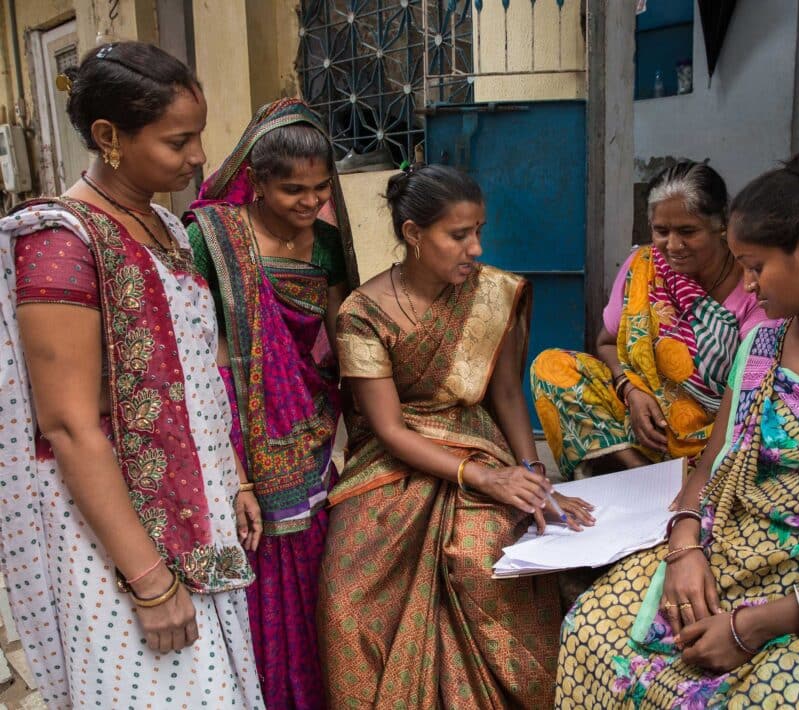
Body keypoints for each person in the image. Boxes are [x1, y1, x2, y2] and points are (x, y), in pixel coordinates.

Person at [555, 149, 799, 708]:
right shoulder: (763, 344)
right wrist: (685, 546)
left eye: (756, 266)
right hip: (734, 550)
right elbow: (714, 462)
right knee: (590, 631)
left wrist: (757, 625)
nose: (746, 283)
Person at [0, 42, 263, 707]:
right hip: (119, 541)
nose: (199, 156)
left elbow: (196, 374)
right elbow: (66, 424)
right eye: (179, 141)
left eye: (198, 135)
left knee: (219, 687)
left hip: (198, 517)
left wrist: (234, 478)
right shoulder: (61, 239)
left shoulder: (166, 227)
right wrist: (150, 582)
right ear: (108, 136)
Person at [318, 164, 595, 708]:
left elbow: (508, 395)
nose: (475, 247)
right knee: (346, 597)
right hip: (393, 460)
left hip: (477, 438)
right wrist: (483, 478)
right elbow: (389, 428)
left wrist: (533, 475)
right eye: (458, 234)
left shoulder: (495, 294)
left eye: (479, 231)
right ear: (414, 235)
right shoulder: (362, 314)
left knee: (480, 562)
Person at [184, 97, 356, 709]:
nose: (310, 203)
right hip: (232, 415)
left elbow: (342, 336)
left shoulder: (329, 242)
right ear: (254, 183)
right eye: (293, 191)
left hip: (306, 413)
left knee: (312, 551)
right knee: (256, 548)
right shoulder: (209, 241)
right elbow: (196, 348)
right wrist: (233, 471)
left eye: (319, 189)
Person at [531, 161, 765, 479]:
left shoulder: (751, 285)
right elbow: (606, 341)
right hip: (642, 427)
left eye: (687, 231)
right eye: (661, 231)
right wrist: (631, 390)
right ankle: (638, 472)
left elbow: (753, 388)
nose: (672, 245)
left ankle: (671, 477)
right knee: (550, 366)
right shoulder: (643, 266)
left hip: (715, 436)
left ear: (721, 222)